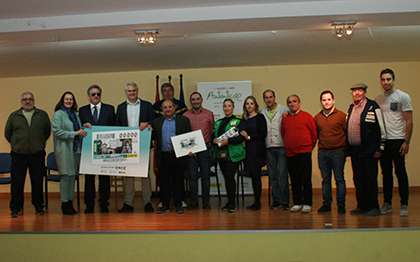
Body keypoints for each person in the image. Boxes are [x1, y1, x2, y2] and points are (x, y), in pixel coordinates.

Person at [5, 92, 51, 218]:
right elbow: (7, 134)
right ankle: (15, 208)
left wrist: (38, 143)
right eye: (25, 99)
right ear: (21, 102)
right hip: (18, 155)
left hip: (37, 155)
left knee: (37, 182)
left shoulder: (42, 115)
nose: (28, 101)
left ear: (34, 101)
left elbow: (47, 132)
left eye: (30, 99)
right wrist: (18, 144)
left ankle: (39, 207)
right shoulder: (14, 116)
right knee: (17, 183)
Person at [375, 69, 413, 217]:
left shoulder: (403, 97)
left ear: (393, 80)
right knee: (386, 174)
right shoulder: (378, 99)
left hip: (398, 140)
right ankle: (387, 203)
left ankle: (404, 204)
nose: (386, 82)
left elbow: (409, 121)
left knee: (400, 172)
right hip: (384, 141)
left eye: (389, 79)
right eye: (383, 80)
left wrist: (406, 141)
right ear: (381, 81)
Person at [346, 83, 386, 217]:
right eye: (354, 91)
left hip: (369, 151)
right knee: (358, 179)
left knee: (370, 179)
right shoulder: (351, 107)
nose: (357, 93)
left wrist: (380, 147)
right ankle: (361, 206)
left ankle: (373, 206)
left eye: (360, 91)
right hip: (355, 151)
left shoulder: (373, 106)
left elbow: (381, 127)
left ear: (365, 92)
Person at [115, 82, 154, 213]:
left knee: (145, 174)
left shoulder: (147, 105)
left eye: (134, 91)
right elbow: (117, 126)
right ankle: (128, 203)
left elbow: (154, 121)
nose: (131, 93)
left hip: (142, 144)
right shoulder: (120, 107)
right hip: (127, 146)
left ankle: (147, 202)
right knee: (128, 174)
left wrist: (148, 123)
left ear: (137, 91)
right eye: (129, 91)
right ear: (126, 92)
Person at [79, 85, 115, 214]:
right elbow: (79, 128)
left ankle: (104, 204)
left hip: (105, 150)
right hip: (89, 150)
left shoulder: (109, 109)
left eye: (98, 94)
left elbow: (114, 128)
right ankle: (89, 205)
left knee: (105, 179)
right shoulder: (82, 110)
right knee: (89, 179)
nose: (96, 96)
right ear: (89, 96)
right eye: (93, 94)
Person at [52, 91, 88, 215]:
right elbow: (57, 132)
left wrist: (85, 127)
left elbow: (78, 131)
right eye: (66, 99)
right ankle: (64, 203)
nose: (69, 101)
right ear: (62, 101)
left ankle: (70, 203)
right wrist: (75, 134)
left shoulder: (75, 114)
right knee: (65, 177)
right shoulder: (58, 114)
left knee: (72, 176)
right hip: (64, 150)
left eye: (71, 99)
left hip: (75, 150)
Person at [153, 99, 192, 214]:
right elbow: (152, 136)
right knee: (164, 182)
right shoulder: (157, 122)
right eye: (165, 107)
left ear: (174, 108)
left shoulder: (184, 120)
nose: (168, 109)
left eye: (170, 107)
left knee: (178, 181)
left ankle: (178, 204)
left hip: (178, 155)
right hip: (163, 155)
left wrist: (190, 150)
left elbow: (189, 137)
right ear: (162, 110)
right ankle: (165, 205)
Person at [281, 94, 317, 213]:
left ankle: (307, 203)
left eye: (294, 101)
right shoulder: (285, 119)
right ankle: (297, 203)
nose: (292, 104)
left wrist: (308, 147)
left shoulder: (307, 116)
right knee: (294, 180)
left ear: (299, 103)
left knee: (306, 179)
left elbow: (314, 135)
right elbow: (283, 134)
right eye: (290, 102)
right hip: (290, 154)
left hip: (304, 153)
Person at [314, 91, 347, 214]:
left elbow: (347, 133)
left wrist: (346, 151)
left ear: (333, 100)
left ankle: (341, 205)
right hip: (323, 153)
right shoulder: (317, 118)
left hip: (338, 152)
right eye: (323, 100)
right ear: (320, 102)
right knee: (326, 180)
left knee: (339, 179)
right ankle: (327, 204)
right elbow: (316, 135)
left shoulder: (342, 116)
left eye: (328, 99)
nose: (326, 102)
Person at [212, 99, 246, 212]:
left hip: (233, 154)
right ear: (223, 108)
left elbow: (241, 138)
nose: (227, 108)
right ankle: (230, 202)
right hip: (221, 155)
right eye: (225, 106)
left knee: (230, 177)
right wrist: (214, 140)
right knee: (227, 178)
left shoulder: (239, 121)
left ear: (233, 107)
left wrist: (229, 142)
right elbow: (213, 136)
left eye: (229, 106)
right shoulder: (218, 122)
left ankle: (232, 203)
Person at [183, 92, 215, 210]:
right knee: (192, 176)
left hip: (205, 148)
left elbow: (211, 131)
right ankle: (194, 201)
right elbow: (184, 133)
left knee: (206, 176)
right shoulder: (185, 115)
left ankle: (206, 201)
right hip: (191, 151)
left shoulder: (209, 114)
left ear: (201, 100)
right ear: (190, 101)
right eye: (193, 99)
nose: (195, 101)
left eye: (197, 99)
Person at [260, 90, 290, 210]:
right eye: (266, 97)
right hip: (269, 147)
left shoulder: (284, 110)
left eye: (270, 97)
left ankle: (285, 201)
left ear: (274, 98)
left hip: (281, 146)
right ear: (264, 99)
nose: (269, 99)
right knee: (273, 176)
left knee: (282, 175)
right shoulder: (261, 112)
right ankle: (276, 200)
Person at [240, 96, 267, 211]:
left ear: (255, 105)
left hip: (257, 149)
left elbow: (263, 133)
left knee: (256, 176)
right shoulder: (244, 119)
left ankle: (258, 202)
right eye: (247, 104)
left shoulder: (260, 117)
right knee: (252, 175)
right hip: (248, 150)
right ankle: (256, 202)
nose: (249, 105)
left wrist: (249, 137)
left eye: (251, 103)